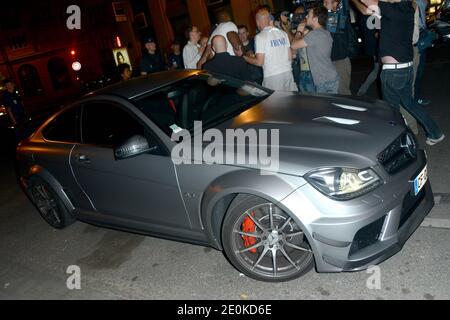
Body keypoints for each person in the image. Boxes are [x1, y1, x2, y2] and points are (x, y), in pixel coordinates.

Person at [361, 0, 444, 146]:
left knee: (391, 111)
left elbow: (367, 3)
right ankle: (435, 133)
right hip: (405, 68)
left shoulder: (392, 9)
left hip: (394, 72)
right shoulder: (406, 8)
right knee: (409, 104)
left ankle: (398, 144)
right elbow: (366, 10)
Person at [243, 9, 297, 92]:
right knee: (290, 102)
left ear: (257, 22)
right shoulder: (283, 33)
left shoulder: (260, 37)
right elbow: (290, 58)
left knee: (274, 104)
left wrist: (244, 57)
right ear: (269, 19)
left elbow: (259, 62)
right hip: (288, 73)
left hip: (272, 76)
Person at [291, 6, 339, 94]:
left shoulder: (315, 35)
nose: (306, 17)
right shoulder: (325, 32)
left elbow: (293, 45)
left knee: (323, 107)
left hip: (324, 80)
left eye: (308, 16)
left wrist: (299, 31)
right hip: (329, 77)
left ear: (315, 19)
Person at [324, 0, 352, 95]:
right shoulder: (328, 17)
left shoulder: (341, 17)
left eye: (326, 2)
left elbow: (332, 29)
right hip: (331, 61)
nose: (323, 4)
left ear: (335, 3)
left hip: (340, 61)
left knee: (343, 93)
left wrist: (328, 11)